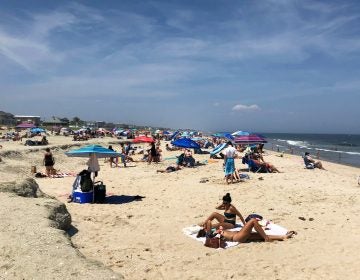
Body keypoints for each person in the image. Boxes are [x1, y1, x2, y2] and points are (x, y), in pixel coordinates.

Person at [201, 218, 296, 242]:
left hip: (239, 235)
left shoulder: (213, 233)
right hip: (237, 237)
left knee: (260, 235)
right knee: (253, 221)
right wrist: (206, 227)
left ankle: (283, 236)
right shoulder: (209, 235)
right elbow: (209, 222)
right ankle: (267, 238)